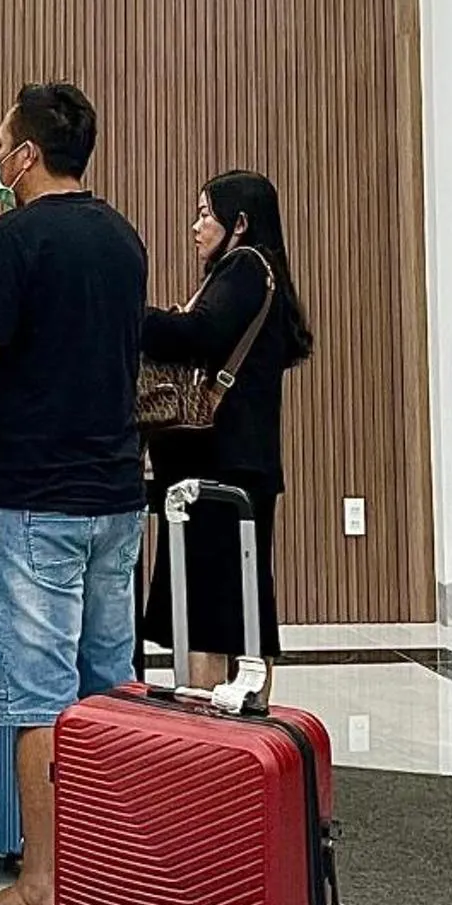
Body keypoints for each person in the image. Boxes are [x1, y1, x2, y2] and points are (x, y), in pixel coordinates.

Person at [0, 83, 147, 905]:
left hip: (33, 501)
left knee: (40, 704)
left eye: (0, 142)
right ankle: (107, 882)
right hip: (117, 498)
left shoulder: (10, 241)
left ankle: (42, 890)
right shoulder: (123, 238)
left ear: (26, 155)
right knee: (109, 695)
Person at [140, 170, 313, 693]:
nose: (195, 227)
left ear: (238, 222)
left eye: (204, 215)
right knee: (245, 603)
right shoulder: (266, 274)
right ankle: (251, 718)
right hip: (245, 461)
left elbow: (200, 334)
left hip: (219, 463)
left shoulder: (243, 266)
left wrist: (132, 316)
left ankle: (208, 724)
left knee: (209, 612)